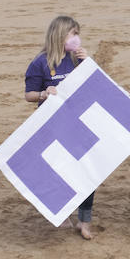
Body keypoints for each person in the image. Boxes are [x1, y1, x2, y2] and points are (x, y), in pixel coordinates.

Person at [24, 16, 95, 238]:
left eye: (77, 33)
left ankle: (84, 221)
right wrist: (44, 94)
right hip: (51, 124)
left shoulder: (77, 59)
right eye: (72, 33)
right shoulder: (40, 63)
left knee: (87, 171)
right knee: (58, 170)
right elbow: (29, 95)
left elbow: (93, 85)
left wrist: (88, 63)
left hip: (76, 122)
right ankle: (62, 213)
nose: (76, 38)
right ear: (60, 35)